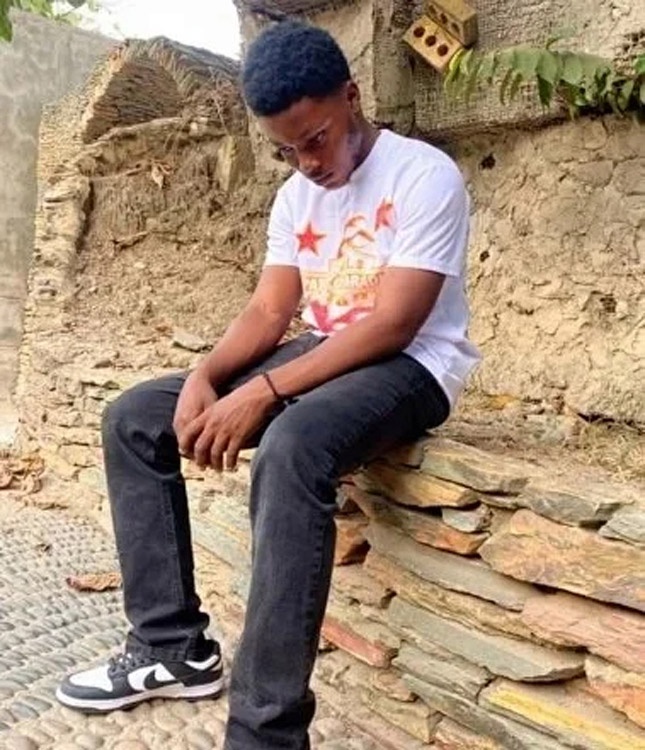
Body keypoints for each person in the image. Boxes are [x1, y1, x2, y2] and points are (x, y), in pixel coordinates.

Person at [55, 19, 480, 750]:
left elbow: (394, 324)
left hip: (414, 365)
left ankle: (265, 735)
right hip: (323, 350)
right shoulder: (294, 198)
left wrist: (262, 393)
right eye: (285, 150)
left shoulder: (422, 174)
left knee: (290, 448)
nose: (306, 163)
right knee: (134, 418)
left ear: (351, 98)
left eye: (315, 139)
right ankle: (171, 648)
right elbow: (268, 311)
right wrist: (207, 375)